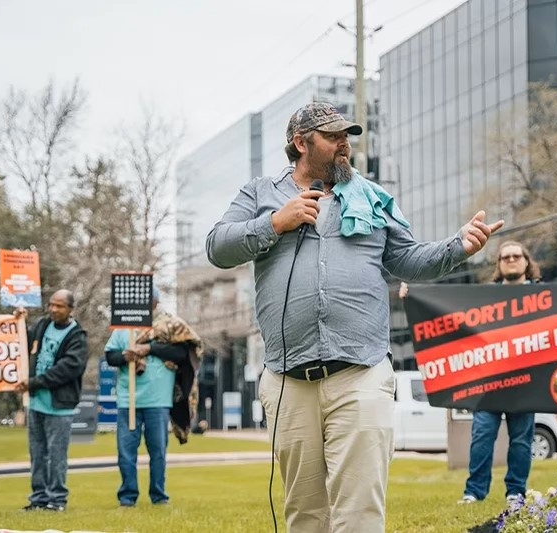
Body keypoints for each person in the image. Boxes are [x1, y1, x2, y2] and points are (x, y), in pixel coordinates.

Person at [206, 101, 503, 533]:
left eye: (347, 135)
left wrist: (458, 246)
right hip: (288, 379)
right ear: (300, 142)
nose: (345, 144)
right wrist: (274, 222)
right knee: (305, 513)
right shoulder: (260, 194)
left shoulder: (372, 196)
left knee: (361, 510)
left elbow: (407, 259)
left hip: (360, 373)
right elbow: (217, 247)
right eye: (333, 136)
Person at [456, 240, 557, 504]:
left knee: (521, 441)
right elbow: (450, 310)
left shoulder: (545, 297)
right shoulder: (485, 298)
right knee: (481, 437)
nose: (510, 260)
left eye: (516, 255)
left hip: (525, 383)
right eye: (505, 257)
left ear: (526, 261)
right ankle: (474, 493)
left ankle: (515, 493)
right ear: (498, 265)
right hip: (489, 381)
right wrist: (412, 296)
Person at [104, 283, 202, 507]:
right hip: (128, 401)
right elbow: (110, 356)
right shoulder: (124, 329)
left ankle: (159, 495)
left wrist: (149, 348)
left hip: (157, 400)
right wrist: (126, 356)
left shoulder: (168, 326)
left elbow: (181, 353)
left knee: (157, 450)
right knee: (126, 451)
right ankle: (127, 497)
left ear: (155, 302)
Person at [14, 289, 88, 512]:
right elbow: (22, 342)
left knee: (56, 456)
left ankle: (57, 500)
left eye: (60, 306)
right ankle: (38, 498)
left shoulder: (77, 336)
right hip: (36, 403)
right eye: (51, 305)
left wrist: (34, 382)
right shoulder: (42, 325)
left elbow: (69, 368)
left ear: (70, 309)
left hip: (60, 406)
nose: (54, 310)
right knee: (37, 454)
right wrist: (19, 320)